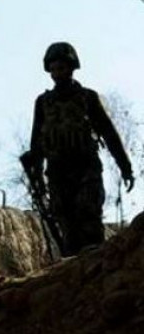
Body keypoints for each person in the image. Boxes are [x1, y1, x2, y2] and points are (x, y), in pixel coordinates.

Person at [21, 42, 135, 257]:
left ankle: (97, 271)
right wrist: (36, 174)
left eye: (61, 68)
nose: (57, 74)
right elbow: (37, 143)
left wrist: (125, 167)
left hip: (86, 170)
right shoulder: (43, 103)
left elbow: (109, 134)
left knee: (89, 221)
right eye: (53, 69)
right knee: (68, 230)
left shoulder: (87, 98)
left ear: (71, 68)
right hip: (57, 173)